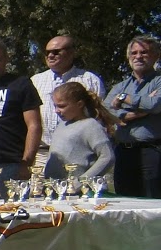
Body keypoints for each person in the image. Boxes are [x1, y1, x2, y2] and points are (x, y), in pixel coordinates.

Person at [31, 35, 105, 170]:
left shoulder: (90, 80)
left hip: (79, 153)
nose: (50, 56)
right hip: (42, 154)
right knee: (39, 191)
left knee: (75, 190)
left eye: (56, 52)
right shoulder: (35, 81)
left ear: (71, 52)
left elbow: (99, 116)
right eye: (47, 52)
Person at [0, 37, 42, 182]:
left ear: (6, 59)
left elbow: (34, 125)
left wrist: (27, 162)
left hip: (11, 165)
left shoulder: (21, 84)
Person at [104, 35, 161, 198]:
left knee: (153, 202)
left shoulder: (158, 81)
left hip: (152, 152)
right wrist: (138, 112)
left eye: (144, 52)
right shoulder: (120, 86)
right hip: (123, 152)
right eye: (134, 53)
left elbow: (155, 105)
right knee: (125, 201)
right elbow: (106, 113)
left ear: (156, 55)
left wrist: (124, 99)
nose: (138, 57)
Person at [44, 83, 116, 182]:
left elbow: (107, 157)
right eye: (55, 106)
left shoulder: (90, 125)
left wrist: (82, 181)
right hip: (55, 187)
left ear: (79, 104)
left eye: (61, 106)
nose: (56, 111)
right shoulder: (62, 124)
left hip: (78, 192)